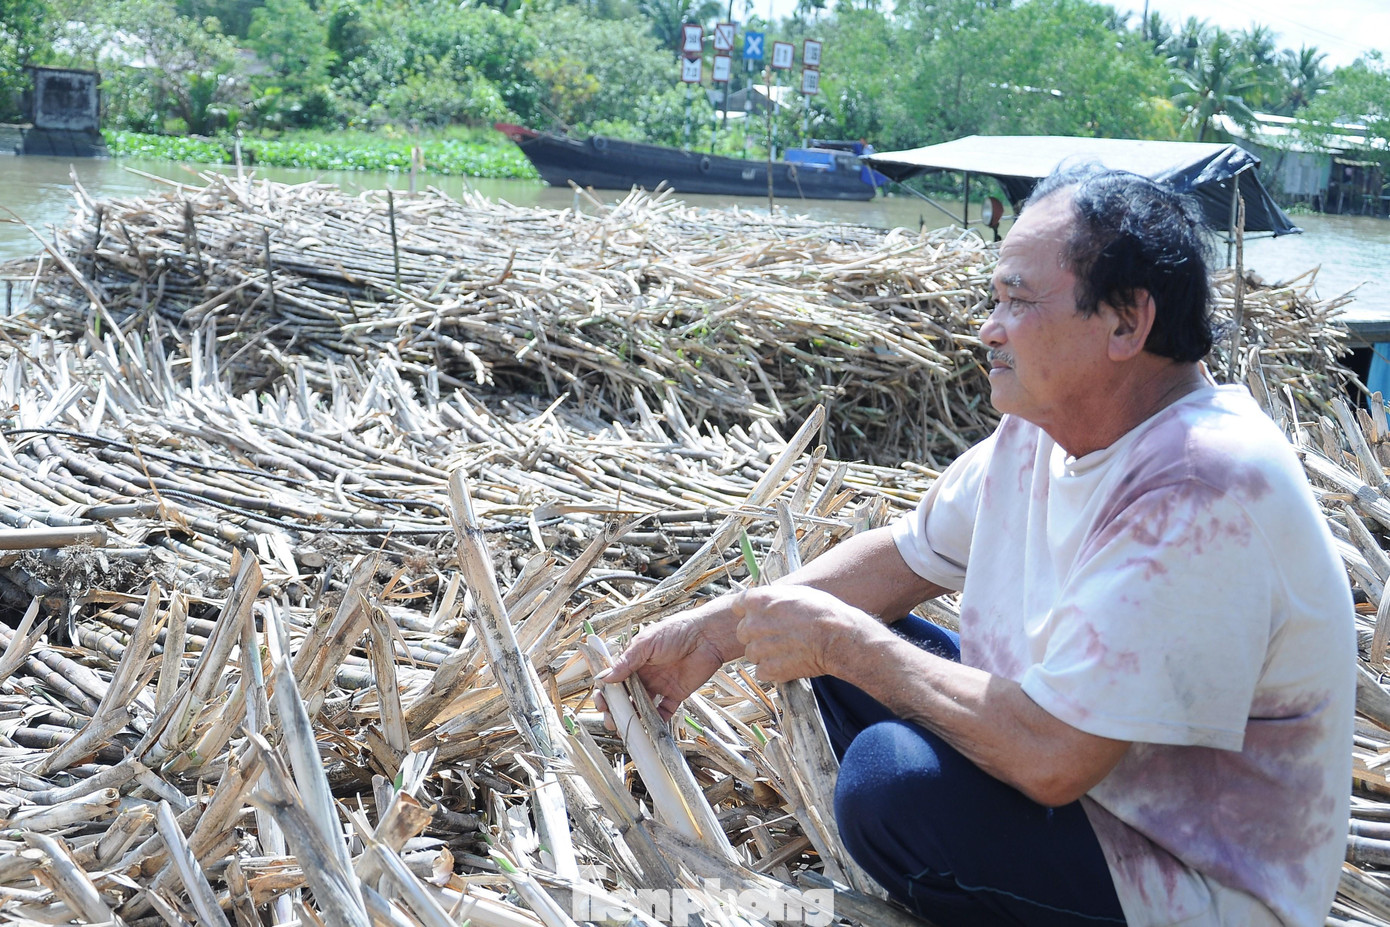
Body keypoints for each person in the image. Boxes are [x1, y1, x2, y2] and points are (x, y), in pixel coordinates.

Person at [598, 164, 1354, 927]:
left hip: (1185, 879)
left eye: (1019, 301)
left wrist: (846, 643)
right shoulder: (1046, 432)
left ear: (1127, 321)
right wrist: (716, 631)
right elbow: (903, 557)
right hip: (1095, 784)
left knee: (888, 776)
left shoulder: (1202, 485)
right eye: (996, 299)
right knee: (832, 634)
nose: (990, 327)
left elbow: (1056, 759)